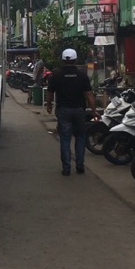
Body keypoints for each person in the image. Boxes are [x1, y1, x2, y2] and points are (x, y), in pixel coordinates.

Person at [44, 48, 100, 176]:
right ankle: (80, 166)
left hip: (63, 110)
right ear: (75, 59)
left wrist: (48, 105)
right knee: (80, 137)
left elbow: (50, 92)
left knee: (65, 139)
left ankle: (66, 168)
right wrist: (94, 110)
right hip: (79, 110)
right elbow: (89, 94)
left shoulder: (56, 75)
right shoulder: (82, 75)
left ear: (63, 60)